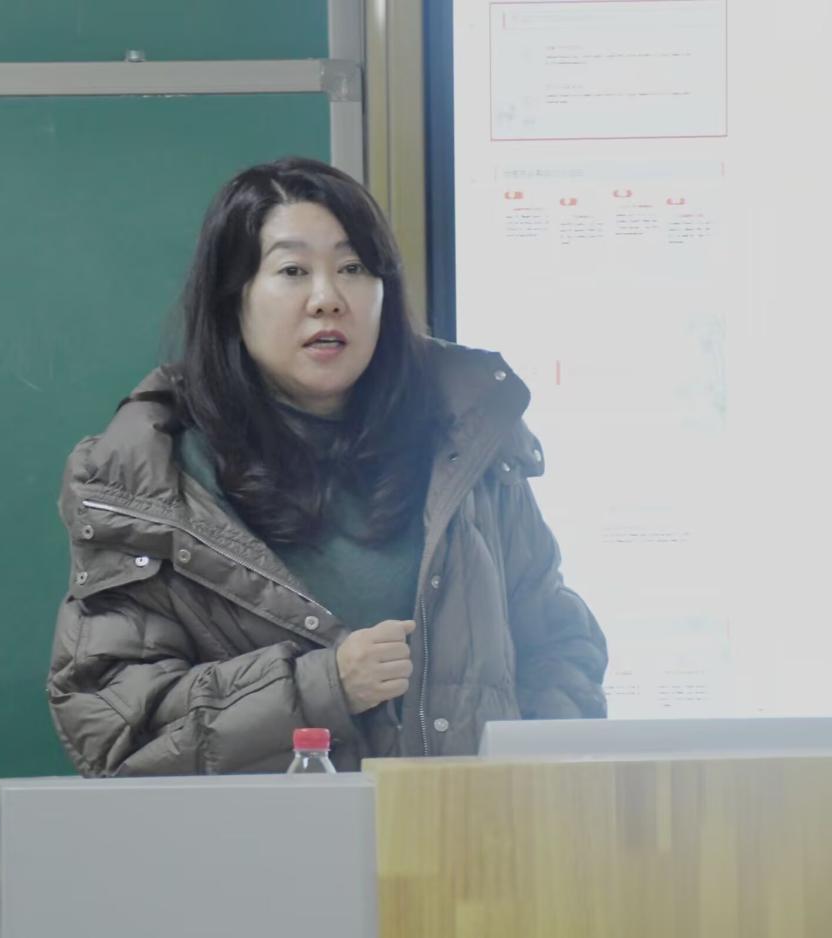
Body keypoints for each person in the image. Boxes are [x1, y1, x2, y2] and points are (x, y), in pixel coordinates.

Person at [47, 157, 607, 776]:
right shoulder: (150, 483)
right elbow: (114, 727)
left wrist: (533, 779)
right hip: (266, 838)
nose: (328, 299)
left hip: (465, 833)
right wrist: (324, 687)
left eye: (354, 268)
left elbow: (559, 646)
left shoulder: (467, 442)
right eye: (292, 271)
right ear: (233, 299)